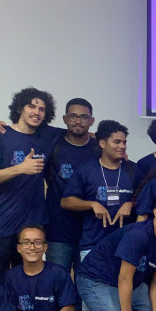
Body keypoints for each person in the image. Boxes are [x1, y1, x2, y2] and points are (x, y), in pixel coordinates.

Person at [0, 87, 56, 279]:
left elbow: (78, 134)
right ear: (20, 108)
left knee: (28, 278)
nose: (36, 112)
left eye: (42, 109)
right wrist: (20, 168)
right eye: (31, 106)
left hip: (32, 224)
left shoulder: (47, 136)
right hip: (1, 223)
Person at [61, 120, 144, 256]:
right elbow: (66, 201)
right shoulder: (87, 170)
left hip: (124, 246)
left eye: (124, 142)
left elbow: (146, 199)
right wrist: (92, 204)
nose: (122, 146)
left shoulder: (133, 169)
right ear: (102, 143)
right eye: (117, 142)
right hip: (93, 245)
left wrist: (130, 204)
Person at [42, 98, 100, 270]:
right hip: (58, 230)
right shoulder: (53, 145)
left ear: (91, 121)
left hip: (90, 232)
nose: (78, 121)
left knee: (87, 281)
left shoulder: (99, 148)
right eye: (73, 116)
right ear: (65, 119)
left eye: (84, 117)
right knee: (57, 280)